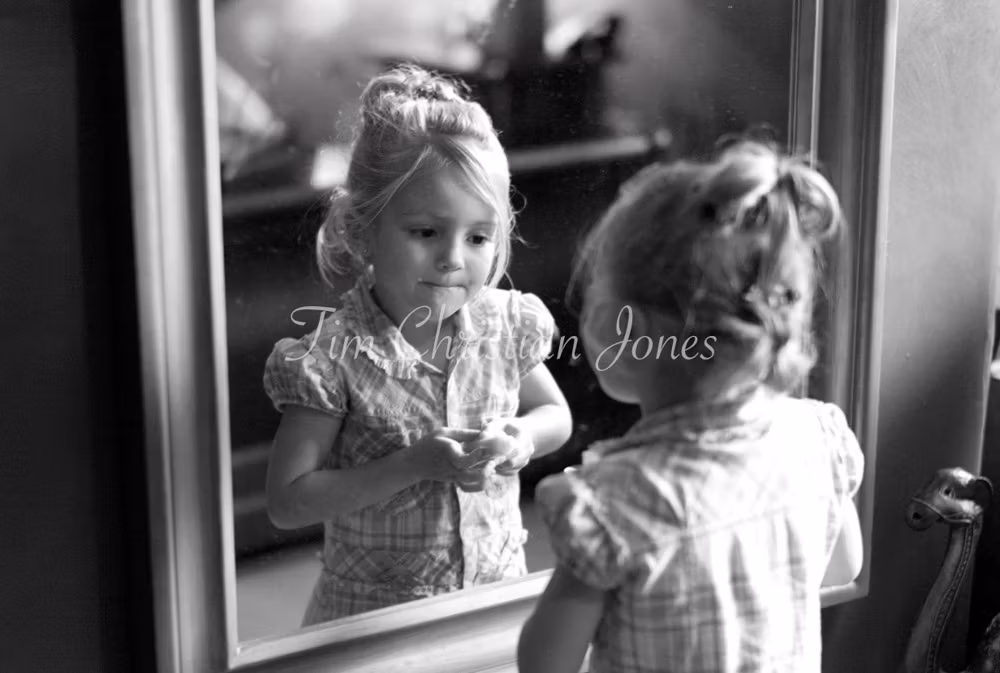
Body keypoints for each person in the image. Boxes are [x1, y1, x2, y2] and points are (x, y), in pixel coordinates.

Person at [518, 139, 864, 673]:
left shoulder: (613, 503)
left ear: (619, 327)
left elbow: (546, 662)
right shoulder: (818, 438)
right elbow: (843, 565)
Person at [262, 64, 573, 625]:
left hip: (492, 596)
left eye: (478, 237)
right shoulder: (332, 358)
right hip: (375, 621)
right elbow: (288, 501)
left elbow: (555, 415)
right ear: (363, 229)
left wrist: (518, 437)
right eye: (427, 232)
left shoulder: (505, 326)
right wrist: (412, 465)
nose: (455, 258)